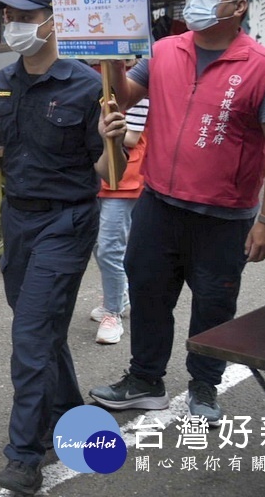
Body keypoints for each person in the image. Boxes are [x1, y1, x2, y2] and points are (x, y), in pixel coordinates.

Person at [0, 0, 126, 496]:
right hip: (19, 220)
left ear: (52, 22)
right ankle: (68, 410)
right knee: (42, 327)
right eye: (8, 17)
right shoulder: (3, 82)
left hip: (68, 221)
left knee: (31, 334)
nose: (13, 25)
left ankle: (24, 454)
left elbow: (112, 174)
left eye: (23, 16)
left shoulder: (87, 85)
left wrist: (115, 140)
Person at [90, 0, 265, 425]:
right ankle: (145, 379)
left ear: (238, 6)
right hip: (158, 203)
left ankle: (205, 385)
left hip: (224, 217)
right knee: (147, 293)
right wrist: (114, 60)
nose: (196, 0)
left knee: (215, 303)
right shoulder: (164, 51)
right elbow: (123, 96)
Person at [89, 95, 149, 345]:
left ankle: (113, 312)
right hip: (94, 176)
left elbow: (132, 137)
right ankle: (119, 298)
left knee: (110, 249)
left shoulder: (135, 90)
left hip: (123, 179)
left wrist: (98, 130)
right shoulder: (91, 81)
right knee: (97, 246)